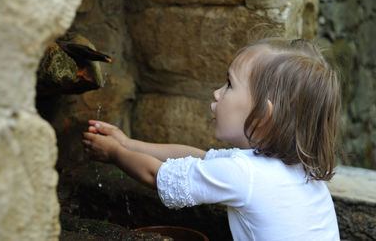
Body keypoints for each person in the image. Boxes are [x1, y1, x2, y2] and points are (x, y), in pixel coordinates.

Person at [82, 37, 341, 241]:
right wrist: (128, 143)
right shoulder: (294, 169)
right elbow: (198, 157)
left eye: (229, 84)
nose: (217, 93)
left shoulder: (244, 175)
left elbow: (156, 175)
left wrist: (114, 154)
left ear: (262, 113)